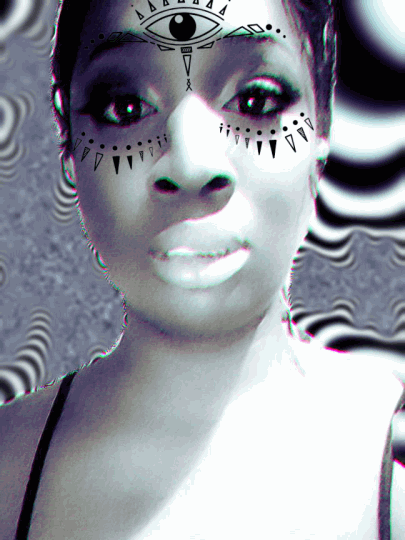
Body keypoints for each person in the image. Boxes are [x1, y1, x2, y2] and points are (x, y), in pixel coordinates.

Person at [0, 0, 404, 538]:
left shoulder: (393, 457)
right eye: (124, 107)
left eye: (257, 100)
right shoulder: (7, 465)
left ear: (322, 127)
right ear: (67, 139)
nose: (191, 164)